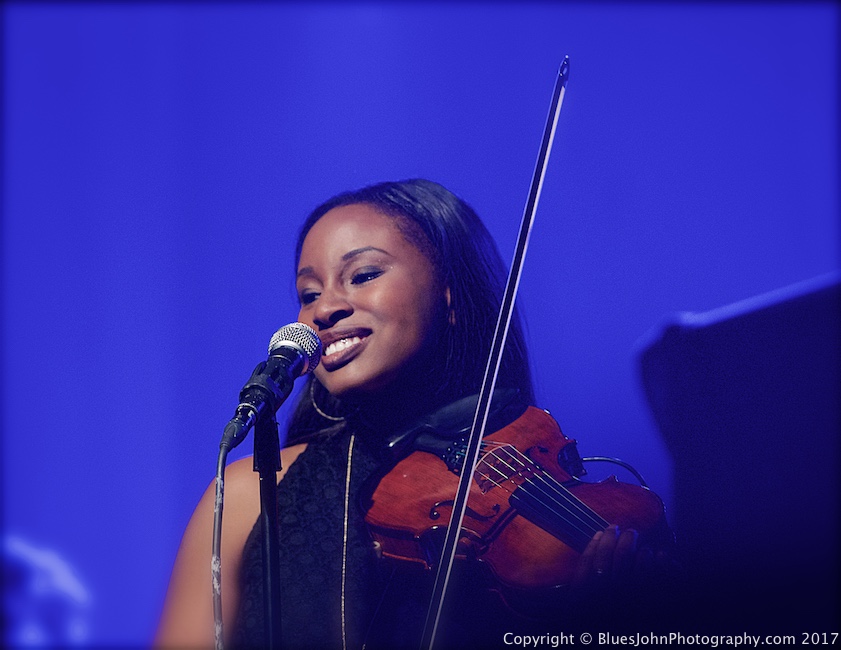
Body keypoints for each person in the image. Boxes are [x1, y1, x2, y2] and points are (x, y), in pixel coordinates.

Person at [155, 179, 671, 649]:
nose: (324, 308)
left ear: (449, 294)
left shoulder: (516, 466)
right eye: (308, 293)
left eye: (362, 275)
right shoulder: (252, 490)